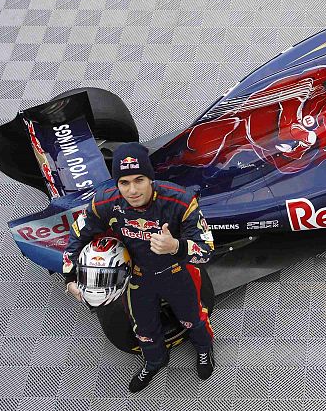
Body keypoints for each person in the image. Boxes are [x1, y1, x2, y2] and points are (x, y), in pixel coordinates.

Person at [62, 142, 216, 393]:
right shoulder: (103, 202)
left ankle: (203, 348)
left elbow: (206, 249)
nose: (132, 190)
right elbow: (77, 236)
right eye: (124, 183)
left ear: (150, 178)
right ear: (117, 184)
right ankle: (155, 360)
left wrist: (175, 246)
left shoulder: (181, 200)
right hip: (137, 278)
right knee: (144, 330)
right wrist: (69, 277)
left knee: (193, 319)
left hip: (176, 273)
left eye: (139, 180)